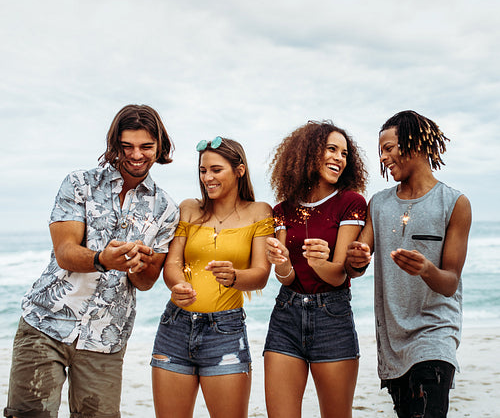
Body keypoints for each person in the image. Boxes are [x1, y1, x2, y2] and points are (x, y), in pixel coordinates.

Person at [4, 104, 180, 418]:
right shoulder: (79, 183)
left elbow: (145, 282)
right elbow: (65, 253)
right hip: (45, 324)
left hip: (106, 337)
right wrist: (103, 259)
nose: (136, 155)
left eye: (146, 147)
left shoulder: (166, 209)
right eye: (127, 147)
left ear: (160, 147)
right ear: (115, 145)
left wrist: (142, 264)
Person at [345, 110, 472, 418]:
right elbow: (355, 267)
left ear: (414, 143)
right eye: (381, 152)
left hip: (435, 333)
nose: (384, 158)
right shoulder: (379, 203)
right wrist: (357, 259)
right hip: (393, 341)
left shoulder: (454, 203)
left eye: (389, 148)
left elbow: (450, 282)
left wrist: (426, 269)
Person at [151, 136, 273, 418]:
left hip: (225, 332)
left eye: (216, 170)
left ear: (239, 171)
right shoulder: (189, 209)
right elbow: (172, 263)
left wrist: (233, 277)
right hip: (175, 327)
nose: (207, 177)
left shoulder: (259, 213)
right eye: (203, 171)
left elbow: (260, 275)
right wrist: (177, 284)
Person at [264, 121, 368, 418]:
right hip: (286, 315)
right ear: (308, 154)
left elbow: (339, 275)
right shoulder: (282, 210)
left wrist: (321, 262)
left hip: (332, 317)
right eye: (331, 149)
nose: (339, 158)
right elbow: (286, 277)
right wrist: (281, 261)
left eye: (344, 153)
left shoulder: (351, 202)